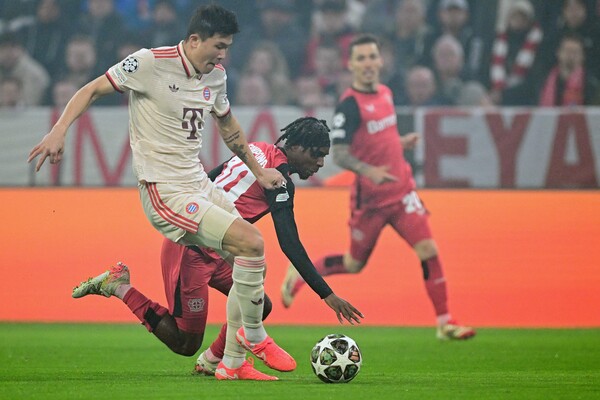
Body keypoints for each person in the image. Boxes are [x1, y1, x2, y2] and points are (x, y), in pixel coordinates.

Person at [28, 4, 292, 381]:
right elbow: (91, 89)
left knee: (254, 263)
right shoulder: (149, 62)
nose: (223, 55)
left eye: (227, 47)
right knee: (251, 242)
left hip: (198, 184)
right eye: (219, 46)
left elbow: (228, 126)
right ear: (195, 40)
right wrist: (59, 130)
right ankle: (253, 336)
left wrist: (258, 170)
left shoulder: (216, 77)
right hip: (163, 189)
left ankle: (232, 364)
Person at [69, 117, 363, 378]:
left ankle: (213, 361)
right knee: (185, 343)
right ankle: (119, 286)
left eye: (324, 157)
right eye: (316, 154)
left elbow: (208, 180)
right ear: (296, 147)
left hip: (218, 249)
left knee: (259, 304)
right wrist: (327, 294)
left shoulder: (256, 150)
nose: (320, 163)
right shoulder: (279, 181)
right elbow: (290, 243)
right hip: (191, 250)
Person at [280, 34, 476, 341]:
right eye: (361, 58)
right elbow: (340, 153)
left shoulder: (386, 93)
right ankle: (302, 273)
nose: (368, 63)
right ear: (351, 64)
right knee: (354, 264)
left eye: (373, 56)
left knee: (428, 250)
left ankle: (445, 322)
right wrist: (368, 170)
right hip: (370, 201)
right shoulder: (349, 105)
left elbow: (379, 138)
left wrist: (400, 143)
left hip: (402, 192)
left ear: (380, 60)